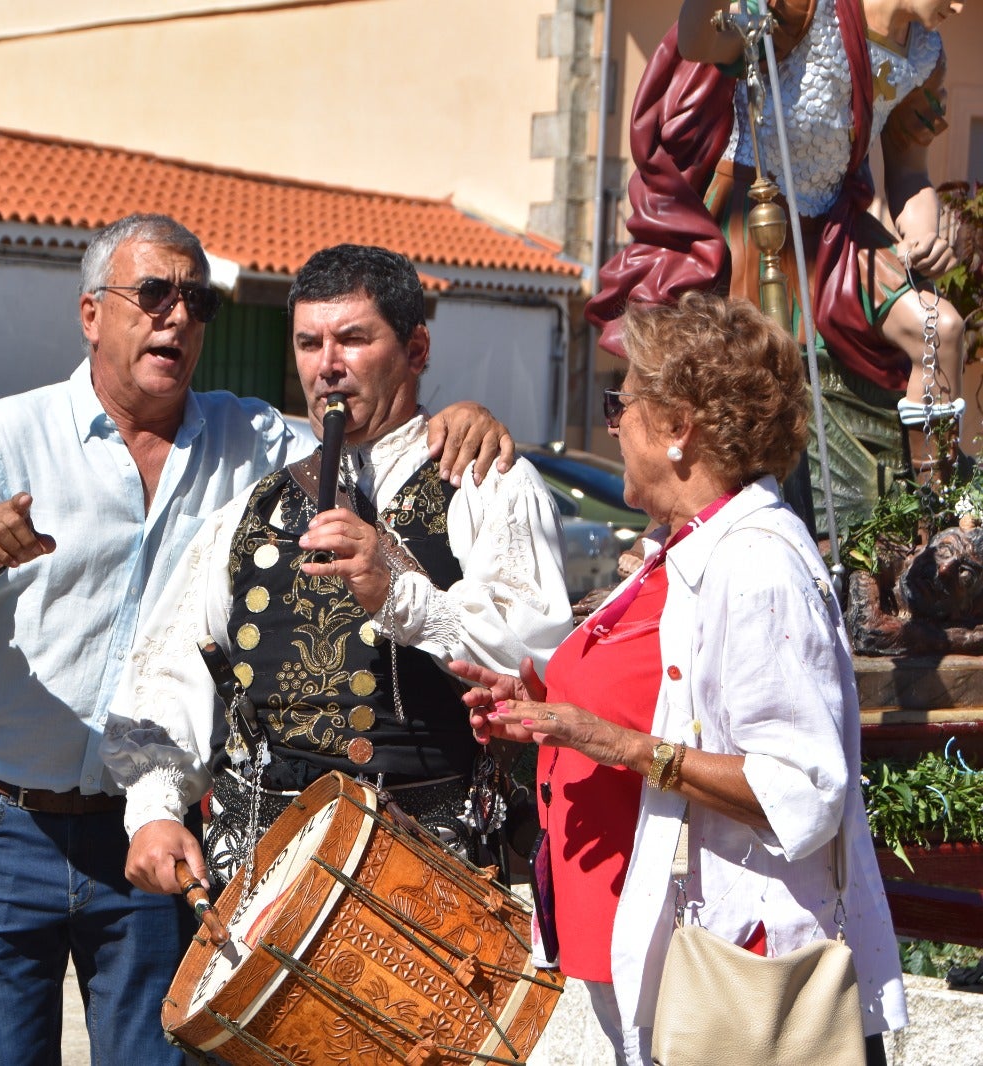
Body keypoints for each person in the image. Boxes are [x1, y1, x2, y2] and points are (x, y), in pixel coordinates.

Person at [0, 213, 515, 1066]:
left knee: (157, 1054)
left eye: (196, 299)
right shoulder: (10, 434)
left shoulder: (253, 439)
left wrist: (462, 417)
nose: (176, 316)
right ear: (91, 314)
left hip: (158, 827)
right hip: (7, 820)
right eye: (152, 294)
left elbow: (372, 421)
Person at [455, 292, 907, 1065]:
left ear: (676, 429)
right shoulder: (696, 548)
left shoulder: (758, 564)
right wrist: (547, 711)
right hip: (707, 954)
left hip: (751, 973)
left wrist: (608, 740)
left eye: (620, 402)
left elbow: (801, 789)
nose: (611, 424)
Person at [103, 243, 575, 898]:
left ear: (415, 350)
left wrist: (402, 594)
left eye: (352, 339)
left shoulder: (487, 484)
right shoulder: (253, 507)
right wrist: (153, 808)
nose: (327, 366)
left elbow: (537, 660)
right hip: (262, 891)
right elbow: (166, 667)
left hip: (430, 888)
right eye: (307, 343)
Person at [590, 0, 966, 478]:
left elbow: (910, 171)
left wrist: (925, 234)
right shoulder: (804, 7)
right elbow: (699, 41)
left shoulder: (925, 54)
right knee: (740, 378)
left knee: (940, 329)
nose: (959, 5)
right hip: (749, 212)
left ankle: (933, 515)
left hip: (833, 232)